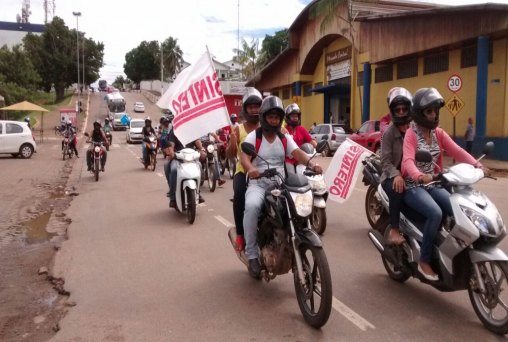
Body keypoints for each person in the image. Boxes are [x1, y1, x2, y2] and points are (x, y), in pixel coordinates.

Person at [401, 87, 487, 281]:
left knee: (459, 208)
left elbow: (457, 151)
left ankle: (450, 249)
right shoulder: (411, 134)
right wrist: (418, 175)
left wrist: (477, 164)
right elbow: (407, 161)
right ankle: (424, 261)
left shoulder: (438, 133)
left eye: (435, 111)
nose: (433, 115)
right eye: (429, 111)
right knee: (435, 212)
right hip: (414, 186)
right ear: (419, 113)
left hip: (434, 183)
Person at [240, 95, 323, 279]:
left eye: (277, 117)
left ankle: (294, 242)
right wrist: (251, 168)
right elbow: (244, 156)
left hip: (279, 182)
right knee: (252, 207)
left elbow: (297, 153)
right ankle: (252, 254)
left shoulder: (284, 137)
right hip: (258, 183)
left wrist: (311, 164)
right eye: (271, 117)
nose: (274, 120)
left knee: (296, 208)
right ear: (264, 117)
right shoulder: (256, 136)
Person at [226, 88, 263, 253]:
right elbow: (229, 155)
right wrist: (233, 142)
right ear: (246, 109)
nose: (254, 109)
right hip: (244, 171)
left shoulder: (268, 125)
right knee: (239, 194)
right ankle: (240, 234)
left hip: (264, 170)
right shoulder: (238, 129)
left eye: (257, 106)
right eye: (251, 106)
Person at [380, 87, 413, 245]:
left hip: (411, 175)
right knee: (397, 189)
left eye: (404, 109)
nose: (401, 112)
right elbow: (385, 161)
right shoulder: (389, 133)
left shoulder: (414, 130)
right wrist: (397, 175)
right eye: (397, 109)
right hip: (390, 176)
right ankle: (394, 230)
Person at [163, 126, 206, 207]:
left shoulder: (192, 129)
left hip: (192, 157)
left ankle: (198, 193)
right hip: (178, 158)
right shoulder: (174, 130)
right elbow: (171, 144)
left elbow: (197, 141)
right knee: (173, 169)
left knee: (199, 166)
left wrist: (202, 149)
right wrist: (171, 152)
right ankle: (172, 197)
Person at [284, 103, 317, 174]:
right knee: (291, 175)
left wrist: (318, 147)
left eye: (296, 116)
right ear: (287, 117)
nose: (295, 118)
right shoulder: (284, 130)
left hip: (302, 159)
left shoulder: (301, 129)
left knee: (312, 173)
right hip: (288, 160)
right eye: (293, 116)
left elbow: (310, 140)